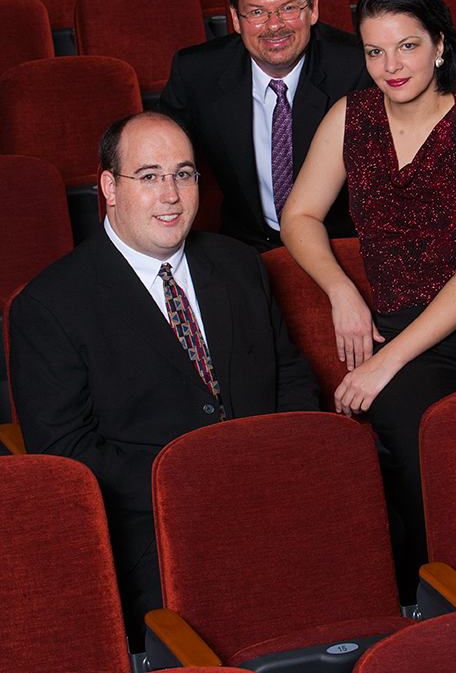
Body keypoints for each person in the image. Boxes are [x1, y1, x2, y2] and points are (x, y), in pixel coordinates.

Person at [280, 0, 456, 600]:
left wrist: (383, 363)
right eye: (375, 51)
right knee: (416, 452)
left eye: (406, 46)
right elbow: (298, 215)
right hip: (402, 321)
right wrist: (342, 291)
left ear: (440, 46)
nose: (390, 66)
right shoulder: (349, 118)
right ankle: (441, 608)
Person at [9, 111, 320, 649]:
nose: (171, 194)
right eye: (149, 176)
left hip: (269, 492)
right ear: (109, 187)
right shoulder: (49, 306)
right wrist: (193, 485)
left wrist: (277, 464)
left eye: (184, 173)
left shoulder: (241, 265)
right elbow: (65, 451)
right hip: (153, 525)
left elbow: (289, 377)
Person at [159, 0, 373, 252]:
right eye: (257, 12)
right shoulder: (196, 73)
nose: (274, 25)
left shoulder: (357, 68)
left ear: (313, 8)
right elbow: (152, 154)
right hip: (245, 247)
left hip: (340, 243)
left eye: (288, 8)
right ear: (235, 18)